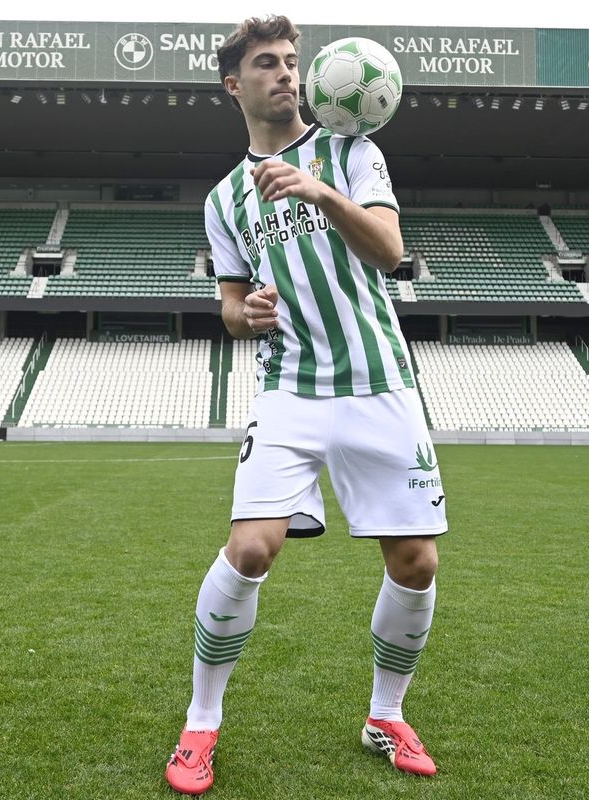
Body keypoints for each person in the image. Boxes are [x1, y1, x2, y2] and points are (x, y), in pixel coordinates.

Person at [165, 15, 447, 795]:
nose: (286, 74)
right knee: (251, 548)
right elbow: (226, 302)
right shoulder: (224, 199)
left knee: (416, 561)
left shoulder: (353, 152)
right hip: (288, 389)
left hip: (377, 381)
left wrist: (319, 191)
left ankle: (385, 715)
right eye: (267, 64)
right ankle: (201, 724)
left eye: (293, 62)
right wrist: (241, 314)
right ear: (235, 84)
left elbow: (390, 253)